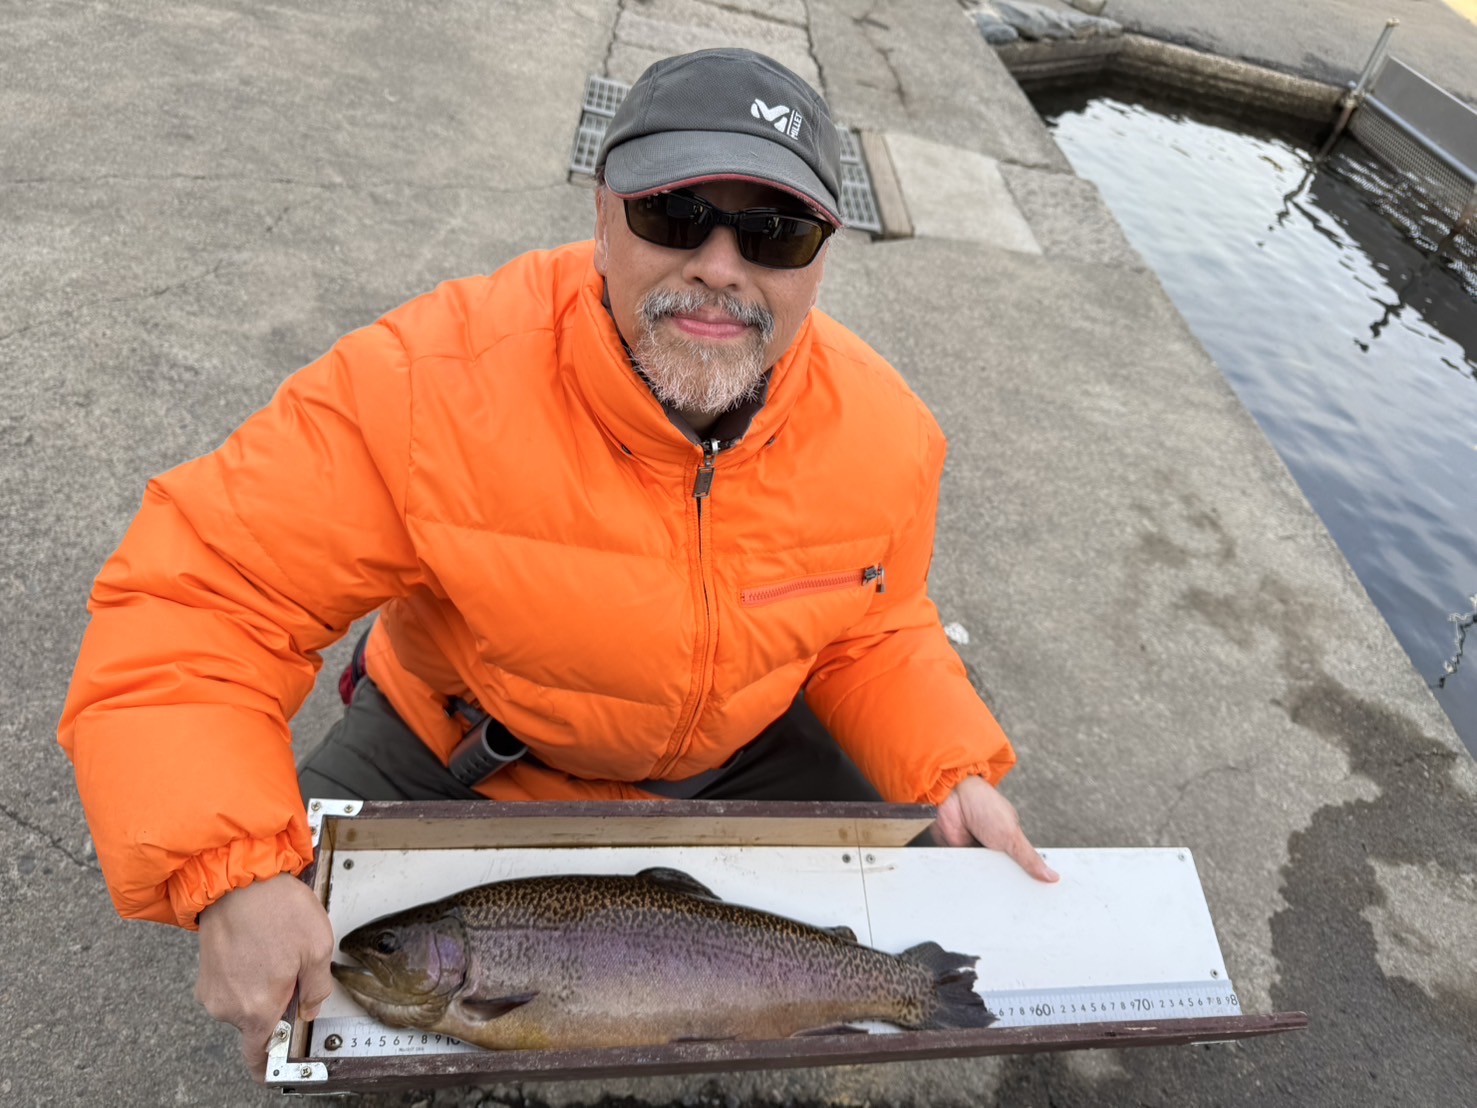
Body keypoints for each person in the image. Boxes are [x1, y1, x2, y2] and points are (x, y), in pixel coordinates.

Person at [57, 47, 1058, 1077]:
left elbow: (873, 624)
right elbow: (199, 596)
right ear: (602, 213)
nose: (720, 267)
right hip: (461, 747)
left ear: (821, 256)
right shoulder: (425, 384)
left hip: (738, 750)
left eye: (775, 231)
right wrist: (229, 870)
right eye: (673, 214)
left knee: (941, 889)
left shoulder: (888, 431)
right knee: (306, 981)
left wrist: (947, 770)